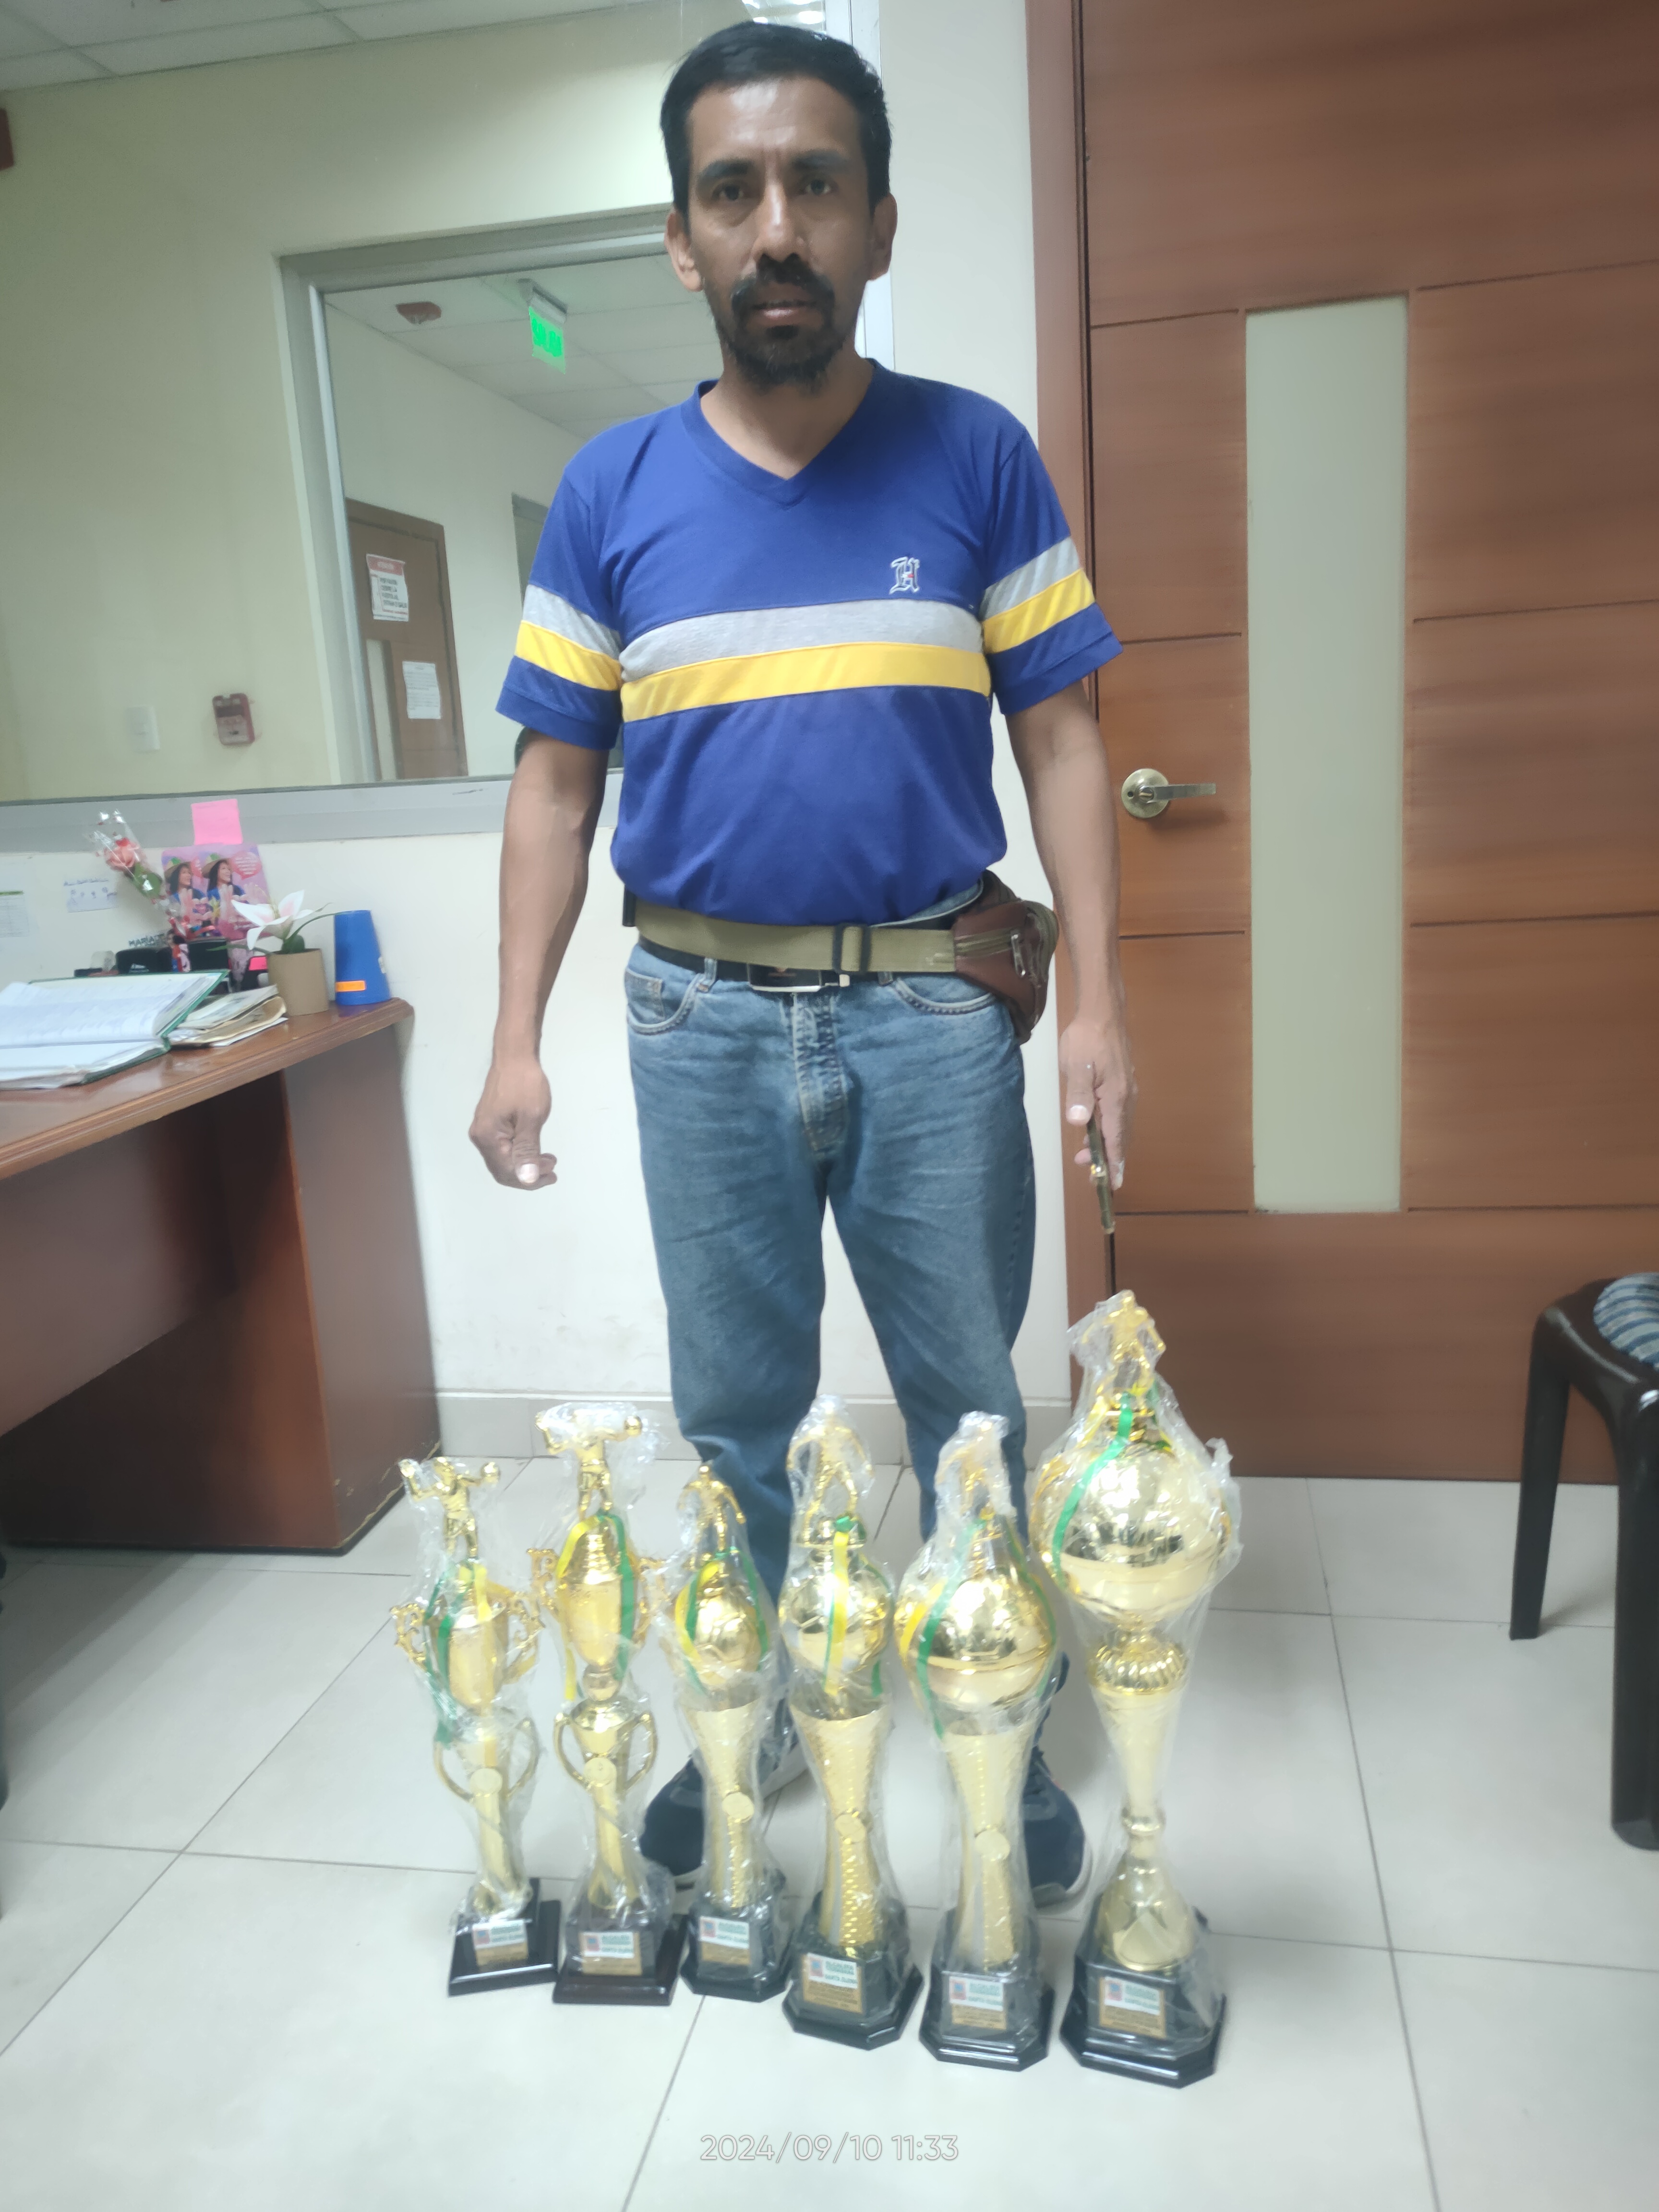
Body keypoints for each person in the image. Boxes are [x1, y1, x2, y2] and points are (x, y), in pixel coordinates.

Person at [471, 21, 1134, 1903]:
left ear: (878, 222)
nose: (778, 226)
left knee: (971, 1407)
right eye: (735, 189)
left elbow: (1063, 738)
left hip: (933, 1009)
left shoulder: (977, 458)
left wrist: (1097, 1001)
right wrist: (513, 1037)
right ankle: (745, 1718)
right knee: (736, 1417)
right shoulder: (610, 492)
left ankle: (1000, 1725)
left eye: (816, 184)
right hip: (694, 1017)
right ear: (683, 237)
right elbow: (554, 786)